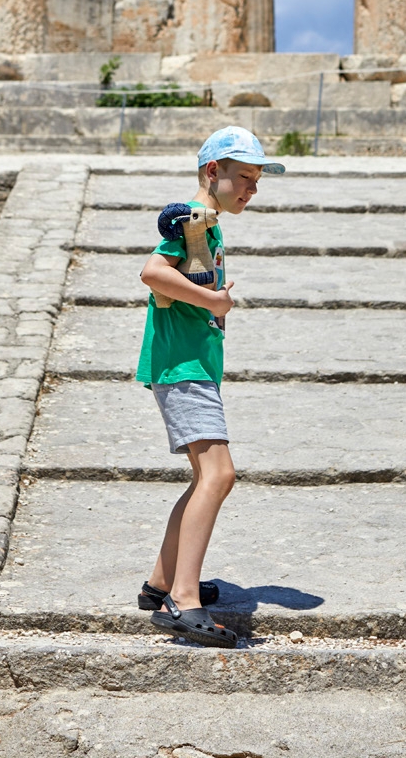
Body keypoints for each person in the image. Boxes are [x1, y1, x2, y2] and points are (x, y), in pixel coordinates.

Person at [136, 125, 285, 647]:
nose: (252, 188)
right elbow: (154, 274)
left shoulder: (206, 227)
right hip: (183, 368)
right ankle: (183, 602)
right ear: (211, 171)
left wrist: (207, 298)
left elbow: (179, 290)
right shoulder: (194, 221)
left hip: (189, 365)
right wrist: (218, 303)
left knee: (205, 476)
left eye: (257, 180)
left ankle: (160, 584)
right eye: (243, 176)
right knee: (220, 475)